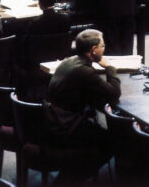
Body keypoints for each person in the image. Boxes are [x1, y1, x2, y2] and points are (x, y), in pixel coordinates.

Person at [45, 29, 119, 184]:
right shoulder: (85, 71)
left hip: (51, 119)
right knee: (113, 141)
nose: (104, 50)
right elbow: (113, 94)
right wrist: (110, 68)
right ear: (93, 50)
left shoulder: (68, 61)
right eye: (102, 47)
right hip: (65, 127)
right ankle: (71, 178)